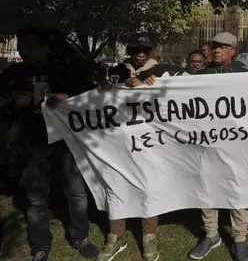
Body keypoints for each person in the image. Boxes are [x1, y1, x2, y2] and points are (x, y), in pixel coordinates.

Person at [0, 27, 100, 261]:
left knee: (76, 193)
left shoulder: (64, 70)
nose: (26, 52)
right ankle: (40, 246)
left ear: (45, 47)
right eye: (22, 47)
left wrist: (66, 97)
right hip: (31, 144)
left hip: (67, 143)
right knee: (36, 200)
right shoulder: (12, 75)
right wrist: (14, 105)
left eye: (31, 47)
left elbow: (90, 95)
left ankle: (80, 237)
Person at [99, 33, 169, 261]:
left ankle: (149, 236)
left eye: (145, 50)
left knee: (148, 188)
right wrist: (120, 85)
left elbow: (173, 99)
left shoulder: (162, 71)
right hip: (119, 140)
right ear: (130, 50)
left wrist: (158, 86)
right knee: (116, 185)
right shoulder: (118, 70)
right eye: (137, 50)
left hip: (149, 141)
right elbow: (101, 98)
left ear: (150, 52)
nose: (141, 54)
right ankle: (116, 236)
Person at [189, 32, 248, 261]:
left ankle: (239, 239)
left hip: (237, 144)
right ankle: (211, 234)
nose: (216, 50)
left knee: (238, 189)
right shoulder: (198, 75)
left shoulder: (246, 75)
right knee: (208, 188)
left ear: (233, 51)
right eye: (214, 46)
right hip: (207, 143)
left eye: (223, 46)